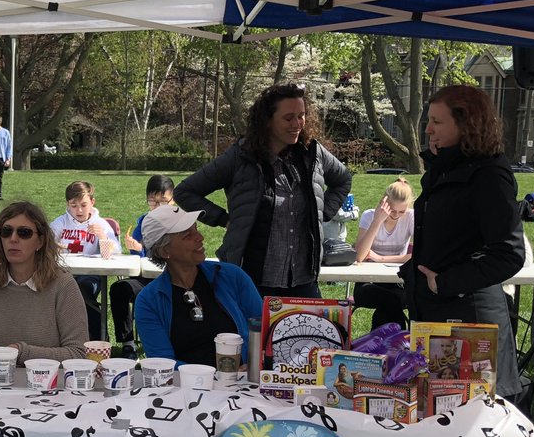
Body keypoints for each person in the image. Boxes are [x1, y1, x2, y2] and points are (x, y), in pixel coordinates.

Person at [403, 84, 525, 401]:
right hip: (437, 313)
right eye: (429, 120)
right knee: (437, 408)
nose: (428, 129)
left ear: (466, 124)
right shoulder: (445, 168)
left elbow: (509, 253)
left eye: (437, 121)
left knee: (473, 411)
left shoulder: (489, 175)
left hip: (470, 316)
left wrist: (445, 282)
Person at [174, 83, 351, 299]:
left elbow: (343, 180)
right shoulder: (240, 157)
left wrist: (321, 214)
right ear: (267, 120)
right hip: (252, 282)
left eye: (301, 116)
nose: (297, 124)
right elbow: (185, 192)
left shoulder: (313, 153)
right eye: (288, 118)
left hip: (303, 281)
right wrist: (224, 219)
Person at [0, 201, 88, 366]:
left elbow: (78, 354)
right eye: (6, 231)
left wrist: (22, 353)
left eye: (24, 233)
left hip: (49, 382)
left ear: (40, 241)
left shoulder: (63, 285)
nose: (13, 239)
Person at [134, 205, 262, 367]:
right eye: (188, 235)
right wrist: (211, 376)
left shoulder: (232, 276)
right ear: (164, 251)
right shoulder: (149, 301)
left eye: (196, 229)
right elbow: (162, 362)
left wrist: (252, 365)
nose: (200, 237)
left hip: (241, 379)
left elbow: (263, 327)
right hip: (185, 382)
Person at [112, 174, 173, 356]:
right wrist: (136, 249)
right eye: (152, 202)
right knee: (120, 289)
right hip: (145, 280)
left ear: (173, 199)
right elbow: (137, 258)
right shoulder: (144, 222)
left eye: (163, 201)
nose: (158, 207)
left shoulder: (181, 223)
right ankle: (128, 344)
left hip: (173, 280)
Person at [50, 180, 118, 341]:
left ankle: (99, 338)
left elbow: (115, 254)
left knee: (81, 290)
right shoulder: (61, 223)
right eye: (73, 206)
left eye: (83, 205)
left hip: (91, 274)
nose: (79, 210)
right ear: (67, 204)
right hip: (64, 272)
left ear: (92, 202)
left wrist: (102, 236)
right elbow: (44, 243)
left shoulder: (100, 224)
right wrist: (53, 247)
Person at [352, 177, 415, 329]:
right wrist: (377, 220)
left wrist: (380, 258)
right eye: (392, 210)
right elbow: (359, 256)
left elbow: (417, 254)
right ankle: (397, 339)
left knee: (389, 304)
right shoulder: (369, 215)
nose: (396, 215)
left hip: (397, 281)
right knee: (391, 301)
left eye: (402, 211)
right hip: (368, 281)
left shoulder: (410, 216)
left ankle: (380, 340)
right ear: (384, 203)